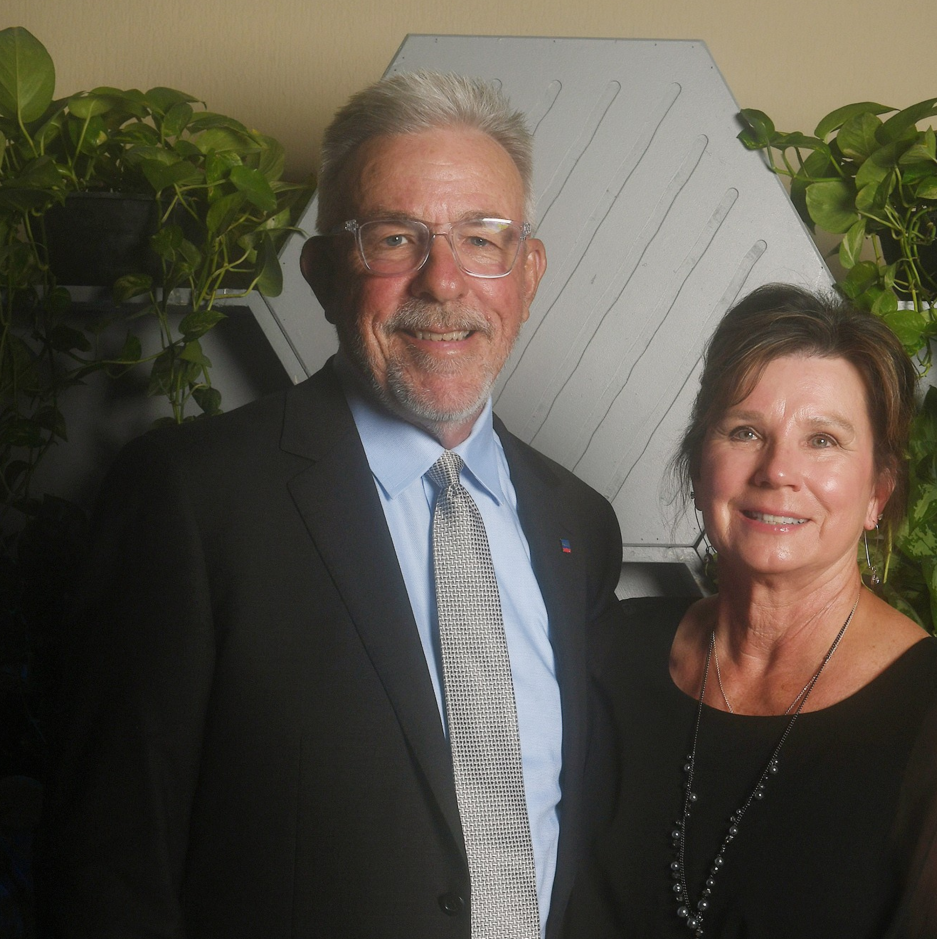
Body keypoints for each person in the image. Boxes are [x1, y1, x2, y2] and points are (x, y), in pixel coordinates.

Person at [39, 72, 621, 939]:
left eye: (482, 238)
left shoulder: (579, 524)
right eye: (394, 238)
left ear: (527, 272)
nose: (444, 281)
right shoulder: (190, 500)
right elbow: (110, 871)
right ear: (320, 273)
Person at [566, 284, 937, 938]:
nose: (778, 469)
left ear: (878, 493)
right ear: (700, 466)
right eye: (747, 430)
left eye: (823, 439)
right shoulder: (615, 652)